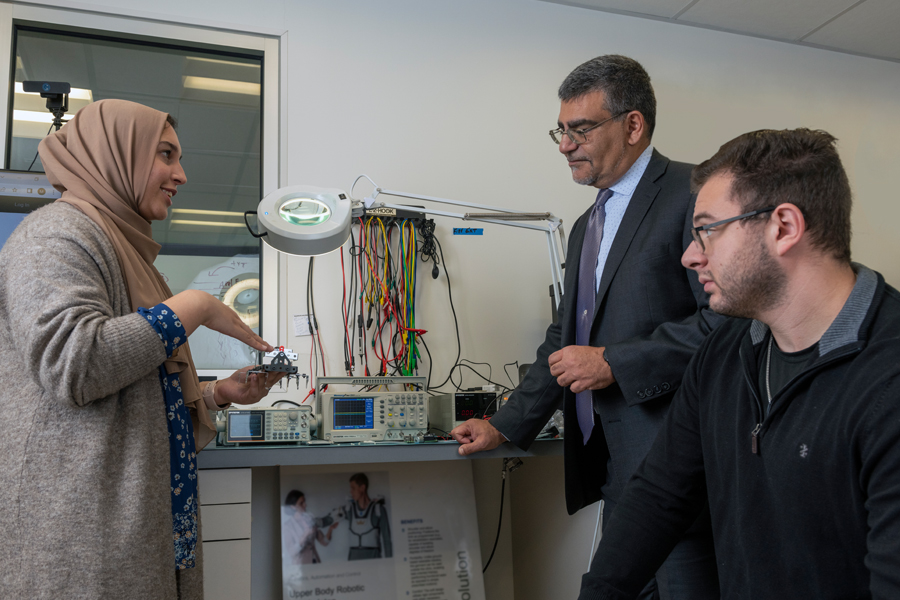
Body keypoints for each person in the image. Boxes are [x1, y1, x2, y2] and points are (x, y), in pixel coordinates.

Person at [578, 128, 900, 600]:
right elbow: (660, 496)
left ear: (783, 227)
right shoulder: (725, 352)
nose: (690, 255)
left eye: (706, 229)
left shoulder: (886, 380)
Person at [451, 55, 722, 598]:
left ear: (633, 125)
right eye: (561, 130)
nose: (565, 144)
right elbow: (564, 341)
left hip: (678, 472)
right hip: (616, 468)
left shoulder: (696, 195)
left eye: (580, 129)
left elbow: (726, 323)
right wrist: (504, 425)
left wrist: (614, 362)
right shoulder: (585, 226)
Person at [0, 99, 284, 599]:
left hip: (137, 535)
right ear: (117, 155)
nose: (181, 175)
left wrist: (217, 394)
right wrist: (193, 307)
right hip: (80, 546)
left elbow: (136, 382)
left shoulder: (128, 253)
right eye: (167, 155)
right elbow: (74, 363)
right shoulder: (53, 234)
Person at [282, 490, 339, 564]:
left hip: (316, 563)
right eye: (301, 503)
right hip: (300, 567)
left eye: (304, 502)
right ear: (292, 507)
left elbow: (324, 542)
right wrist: (305, 535)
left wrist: (330, 529)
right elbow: (291, 552)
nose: (305, 505)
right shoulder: (287, 526)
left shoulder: (310, 520)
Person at [345, 473, 392, 560]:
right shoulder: (349, 509)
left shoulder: (378, 509)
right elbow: (328, 519)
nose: (350, 492)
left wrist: (390, 564)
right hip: (353, 561)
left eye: (353, 488)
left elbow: (387, 540)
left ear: (362, 488)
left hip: (373, 560)